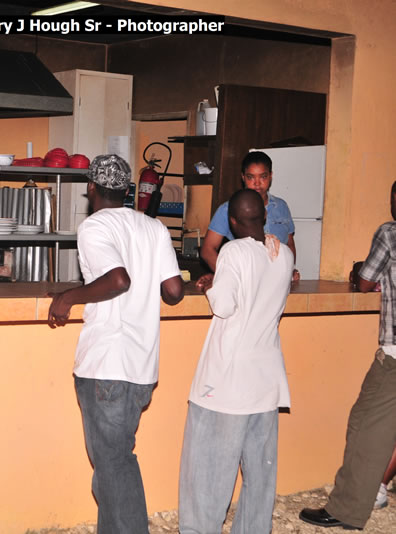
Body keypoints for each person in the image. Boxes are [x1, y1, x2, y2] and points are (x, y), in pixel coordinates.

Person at [47, 154, 184, 533]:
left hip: (107, 363)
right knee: (112, 467)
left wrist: (68, 297)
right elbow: (174, 291)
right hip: (142, 368)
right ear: (127, 190)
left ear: (91, 188)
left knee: (114, 464)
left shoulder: (94, 227)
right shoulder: (153, 228)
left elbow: (118, 280)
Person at [178, 189, 294, 534]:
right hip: (266, 381)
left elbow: (225, 306)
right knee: (259, 475)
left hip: (227, 383)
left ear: (231, 222)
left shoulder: (232, 251)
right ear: (264, 218)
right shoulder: (283, 254)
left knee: (209, 472)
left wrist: (211, 286)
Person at [299, 180, 396, 530]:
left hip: (395, 354)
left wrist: (362, 274)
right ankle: (378, 489)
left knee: (365, 426)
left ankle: (347, 510)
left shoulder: (389, 233)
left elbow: (366, 281)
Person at [200, 151, 300, 281]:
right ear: (243, 177)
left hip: (278, 283)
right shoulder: (229, 209)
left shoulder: (281, 207)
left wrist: (289, 270)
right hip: (246, 282)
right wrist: (227, 274)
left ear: (271, 176)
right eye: (251, 177)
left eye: (263, 177)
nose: (257, 183)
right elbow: (207, 250)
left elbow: (290, 244)